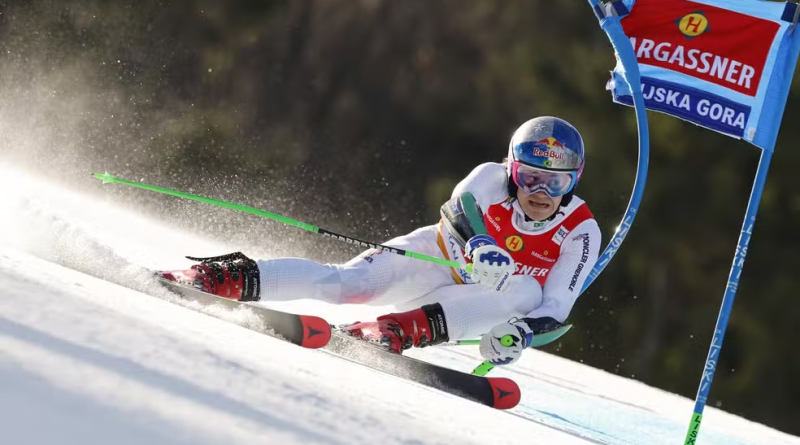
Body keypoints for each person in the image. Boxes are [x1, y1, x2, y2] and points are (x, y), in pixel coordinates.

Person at [162, 116, 601, 367]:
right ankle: (220, 277)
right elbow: (458, 206)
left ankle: (393, 330)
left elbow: (554, 308)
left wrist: (519, 336)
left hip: (479, 299)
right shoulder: (491, 177)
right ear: (512, 169)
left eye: (555, 183)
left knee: (526, 289)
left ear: (573, 181)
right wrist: (481, 243)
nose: (539, 193)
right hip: (432, 256)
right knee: (343, 285)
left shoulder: (582, 231)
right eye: (529, 178)